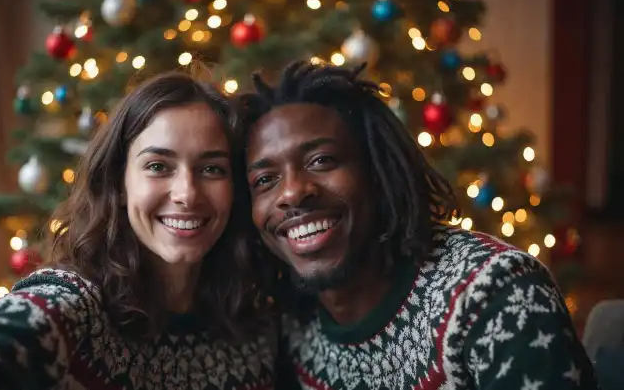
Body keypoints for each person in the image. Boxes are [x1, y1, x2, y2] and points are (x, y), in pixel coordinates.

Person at [238, 61, 598, 390]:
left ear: (377, 171)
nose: (293, 192)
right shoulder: (286, 325)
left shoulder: (500, 295)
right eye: (265, 180)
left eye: (321, 160)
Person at [0, 73, 277, 390]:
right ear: (119, 184)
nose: (187, 193)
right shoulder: (77, 305)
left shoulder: (259, 320)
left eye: (212, 169)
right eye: (158, 166)